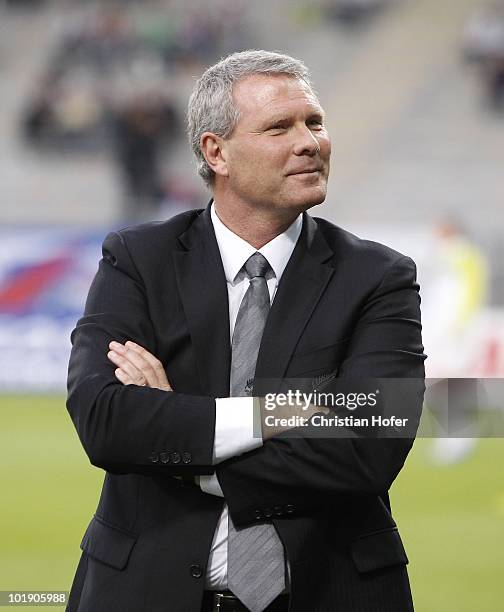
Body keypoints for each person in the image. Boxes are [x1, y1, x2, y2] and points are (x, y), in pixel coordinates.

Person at [66, 50, 426, 612]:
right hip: (145, 593)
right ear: (216, 152)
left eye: (315, 121)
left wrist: (185, 446)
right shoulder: (139, 259)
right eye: (280, 126)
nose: (310, 141)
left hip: (330, 592)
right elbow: (106, 421)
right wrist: (282, 413)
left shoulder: (379, 276)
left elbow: (370, 445)